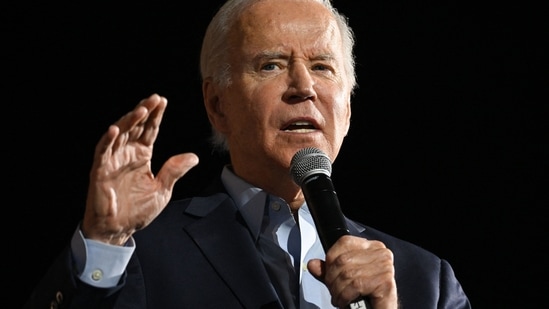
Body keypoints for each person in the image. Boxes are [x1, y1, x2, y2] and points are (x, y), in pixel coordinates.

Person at [25, 0, 472, 308]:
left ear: (348, 108)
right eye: (271, 65)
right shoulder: (139, 252)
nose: (304, 87)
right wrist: (102, 242)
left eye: (322, 66)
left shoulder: (425, 281)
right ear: (218, 105)